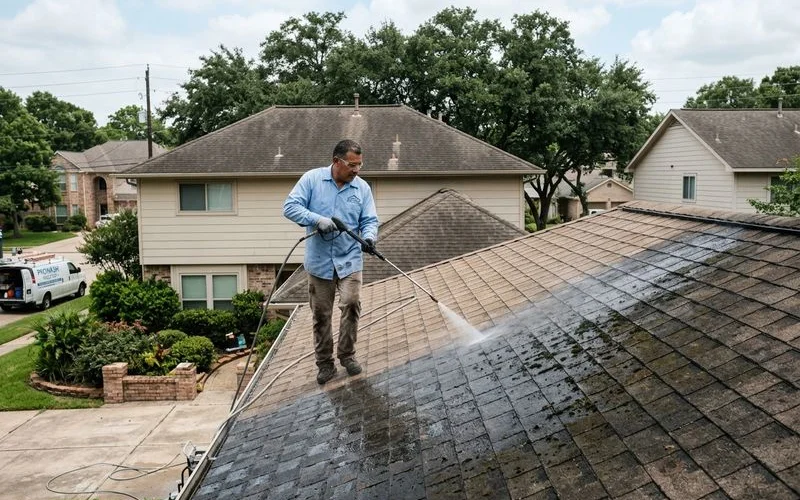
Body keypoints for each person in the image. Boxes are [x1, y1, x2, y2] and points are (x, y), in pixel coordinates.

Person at [283, 139, 379, 384]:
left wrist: (369, 237)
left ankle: (347, 355)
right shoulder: (312, 180)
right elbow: (290, 207)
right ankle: (325, 364)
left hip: (350, 259)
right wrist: (317, 220)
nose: (356, 170)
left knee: (351, 303)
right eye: (352, 165)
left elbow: (369, 220)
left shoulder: (362, 189)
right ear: (337, 161)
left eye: (360, 165)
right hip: (320, 263)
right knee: (321, 315)